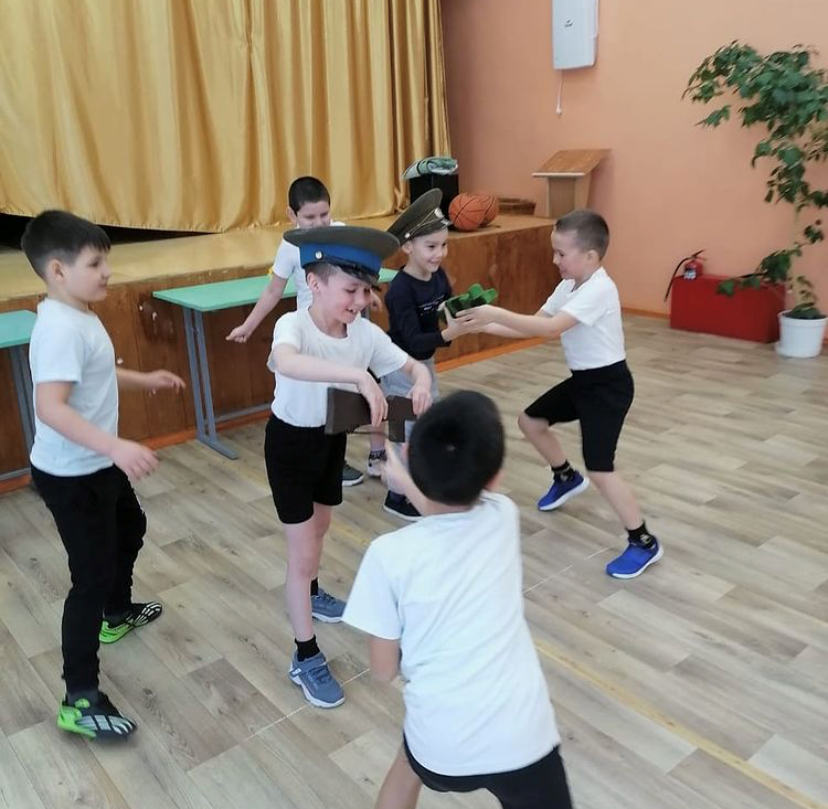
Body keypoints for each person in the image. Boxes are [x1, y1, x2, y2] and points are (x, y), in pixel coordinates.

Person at [343, 391, 573, 809]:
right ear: (496, 478)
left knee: (407, 764)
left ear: (409, 454)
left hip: (440, 748)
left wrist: (402, 478)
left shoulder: (387, 555)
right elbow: (451, 514)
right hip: (524, 740)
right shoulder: (503, 515)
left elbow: (383, 671)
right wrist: (410, 481)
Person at [21, 210, 185, 739]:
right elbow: (50, 407)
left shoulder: (80, 315)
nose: (107, 272)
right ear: (58, 270)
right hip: (72, 476)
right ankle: (79, 697)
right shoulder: (59, 329)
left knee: (131, 530)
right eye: (95, 263)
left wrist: (142, 379)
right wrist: (115, 446)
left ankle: (116, 614)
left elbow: (98, 375)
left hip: (95, 464)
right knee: (88, 580)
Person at [266, 225, 433, 708]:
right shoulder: (293, 326)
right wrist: (358, 375)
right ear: (314, 283)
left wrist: (421, 381)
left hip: (329, 443)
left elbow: (412, 366)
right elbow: (286, 362)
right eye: (351, 290)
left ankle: (313, 591)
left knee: (320, 530)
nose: (361, 301)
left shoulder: (363, 332)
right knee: (301, 554)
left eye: (366, 291)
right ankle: (305, 654)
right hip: (290, 446)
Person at [455, 209, 663, 579]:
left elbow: (552, 329)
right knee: (530, 421)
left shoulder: (599, 289)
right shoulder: (569, 286)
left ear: (590, 256)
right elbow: (537, 325)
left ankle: (644, 541)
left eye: (561, 253)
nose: (555, 260)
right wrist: (483, 326)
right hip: (584, 382)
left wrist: (495, 313)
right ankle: (566, 477)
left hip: (608, 388)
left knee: (601, 469)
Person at [226, 175, 384, 485]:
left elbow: (358, 274)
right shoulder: (290, 246)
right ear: (292, 215)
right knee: (324, 398)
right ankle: (332, 463)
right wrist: (248, 324)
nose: (319, 223)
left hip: (346, 328)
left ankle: (372, 454)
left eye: (324, 214)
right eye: (310, 217)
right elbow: (273, 291)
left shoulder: (341, 233)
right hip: (312, 331)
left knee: (360, 387)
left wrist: (368, 294)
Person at [381, 189, 463, 520]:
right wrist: (449, 333)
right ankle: (396, 495)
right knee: (403, 431)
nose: (439, 253)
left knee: (426, 423)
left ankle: (420, 482)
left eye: (444, 245)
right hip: (400, 366)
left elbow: (445, 302)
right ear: (408, 247)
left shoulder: (437, 275)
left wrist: (460, 311)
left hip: (424, 364)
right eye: (431, 246)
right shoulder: (400, 290)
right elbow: (413, 340)